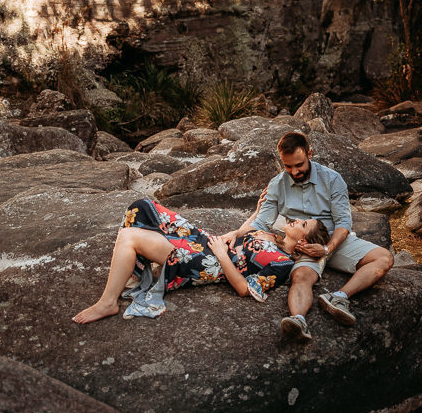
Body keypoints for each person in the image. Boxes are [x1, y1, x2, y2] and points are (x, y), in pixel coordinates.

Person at [220, 131, 393, 338]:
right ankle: (298, 320)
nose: (294, 171)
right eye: (288, 166)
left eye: (299, 164)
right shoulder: (277, 184)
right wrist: (236, 233)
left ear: (309, 153)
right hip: (300, 245)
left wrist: (327, 248)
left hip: (332, 240)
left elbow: (343, 223)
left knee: (384, 258)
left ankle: (339, 297)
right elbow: (261, 222)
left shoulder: (332, 179)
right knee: (301, 276)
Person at [72, 198, 327, 323]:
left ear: (304, 242)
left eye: (302, 224)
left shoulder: (282, 264)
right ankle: (136, 269)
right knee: (141, 207)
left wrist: (221, 254)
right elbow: (245, 232)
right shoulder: (274, 236)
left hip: (208, 261)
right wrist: (257, 211)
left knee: (129, 236)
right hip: (208, 242)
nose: (295, 221)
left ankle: (107, 303)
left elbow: (243, 288)